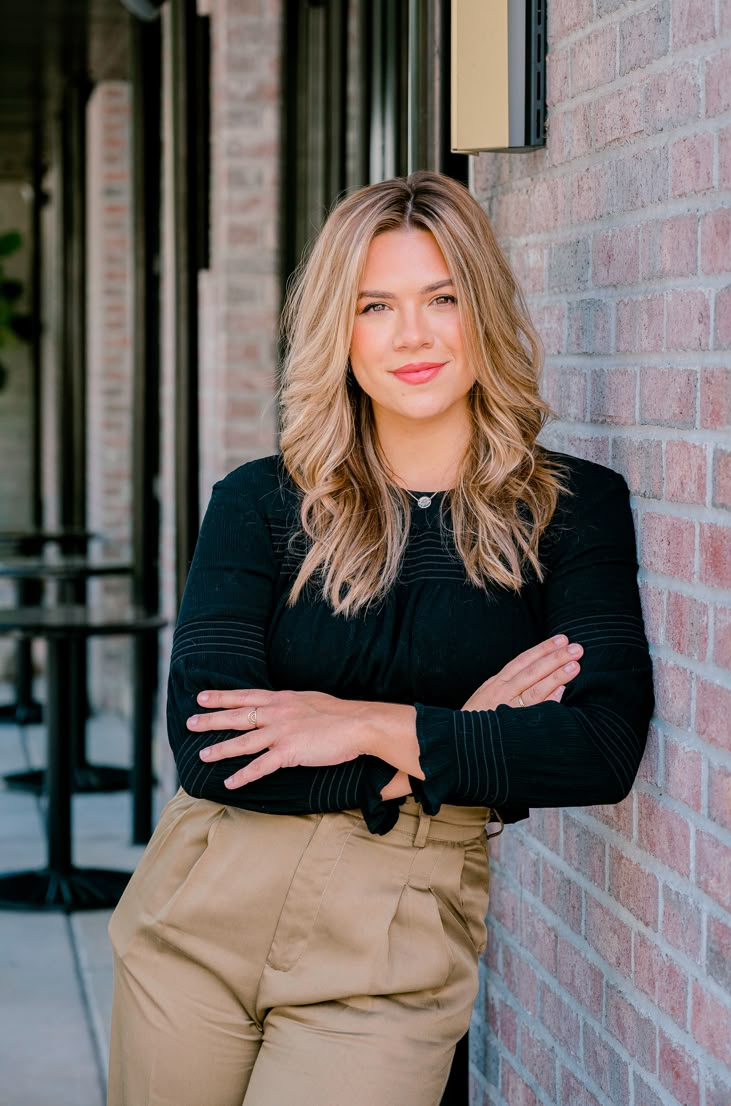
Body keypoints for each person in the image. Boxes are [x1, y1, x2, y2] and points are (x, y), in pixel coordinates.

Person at [107, 170, 654, 1106]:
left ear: (483, 310)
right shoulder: (260, 503)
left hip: (394, 941)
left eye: (442, 297)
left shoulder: (569, 507)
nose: (412, 335)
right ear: (340, 331)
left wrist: (356, 723)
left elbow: (599, 746)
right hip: (201, 910)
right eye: (375, 306)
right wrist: (445, 744)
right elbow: (207, 748)